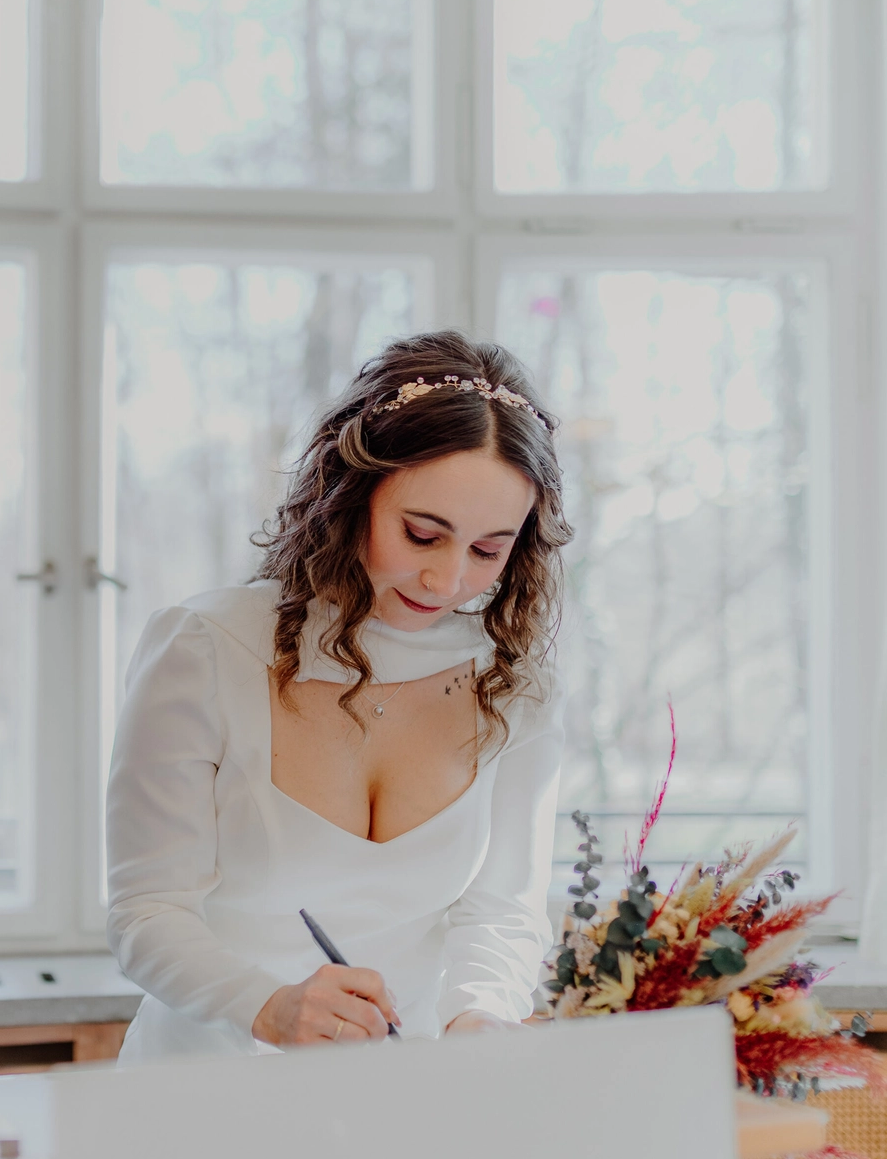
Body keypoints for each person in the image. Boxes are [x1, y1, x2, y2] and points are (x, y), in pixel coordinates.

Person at [106, 330, 572, 1061]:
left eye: (488, 549)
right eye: (422, 534)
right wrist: (265, 1006)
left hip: (400, 1098)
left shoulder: (514, 688)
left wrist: (480, 1014)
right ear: (346, 492)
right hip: (201, 1095)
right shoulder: (205, 648)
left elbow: (502, 913)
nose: (447, 580)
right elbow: (146, 912)